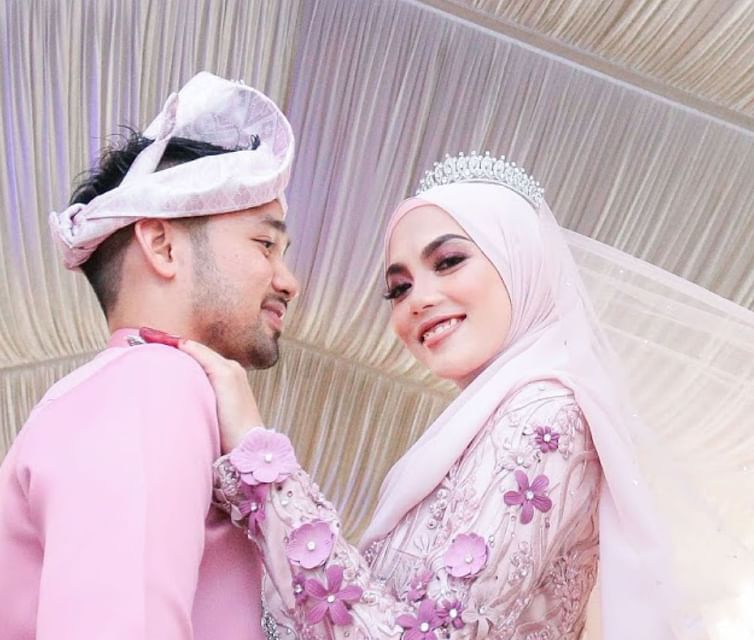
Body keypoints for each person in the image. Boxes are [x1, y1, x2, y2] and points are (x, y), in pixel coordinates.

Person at [154, 152, 725, 639]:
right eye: (399, 288)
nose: (418, 300)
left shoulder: (547, 412)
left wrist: (263, 467)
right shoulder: (472, 433)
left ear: (520, 260)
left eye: (449, 261)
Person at [0, 72, 298, 639]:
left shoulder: (120, 391)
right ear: (161, 245)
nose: (289, 279)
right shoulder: (153, 386)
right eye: (265, 244)